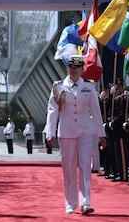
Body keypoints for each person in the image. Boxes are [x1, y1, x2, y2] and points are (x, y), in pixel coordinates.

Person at [45, 55, 106, 215]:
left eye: (77, 67)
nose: (74, 70)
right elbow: (52, 111)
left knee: (86, 166)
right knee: (69, 169)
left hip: (86, 132)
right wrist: (49, 133)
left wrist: (101, 133)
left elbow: (96, 111)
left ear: (82, 69)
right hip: (66, 132)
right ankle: (70, 203)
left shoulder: (89, 87)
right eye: (71, 67)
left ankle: (85, 203)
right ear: (67, 68)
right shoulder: (58, 87)